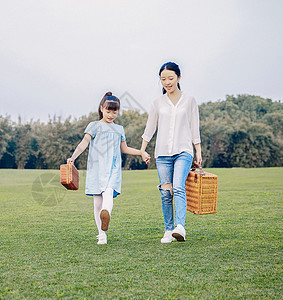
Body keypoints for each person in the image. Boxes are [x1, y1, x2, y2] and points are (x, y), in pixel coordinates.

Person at [67, 92, 150, 245]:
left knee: (109, 192)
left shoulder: (119, 129)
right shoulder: (94, 126)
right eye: (108, 111)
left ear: (118, 111)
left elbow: (124, 148)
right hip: (96, 168)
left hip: (112, 167)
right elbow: (84, 143)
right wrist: (73, 157)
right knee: (97, 203)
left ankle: (106, 213)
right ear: (101, 109)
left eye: (114, 111)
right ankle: (102, 234)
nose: (111, 114)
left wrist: (141, 152)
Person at [140, 62, 202, 243]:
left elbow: (194, 126)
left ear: (179, 78)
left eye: (170, 78)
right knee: (166, 193)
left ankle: (180, 227)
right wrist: (143, 149)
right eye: (163, 79)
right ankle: (168, 230)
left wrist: (198, 150)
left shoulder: (189, 100)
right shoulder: (157, 103)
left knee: (178, 187)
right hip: (162, 153)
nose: (167, 82)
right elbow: (149, 128)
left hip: (184, 150)